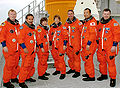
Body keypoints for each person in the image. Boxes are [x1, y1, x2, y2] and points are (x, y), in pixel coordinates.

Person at [97, 8, 120, 87]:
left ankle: (113, 78)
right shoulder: (100, 23)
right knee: (102, 61)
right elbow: (98, 34)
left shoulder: (114, 23)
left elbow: (117, 35)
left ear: (110, 14)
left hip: (110, 47)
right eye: (104, 14)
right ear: (102, 14)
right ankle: (104, 75)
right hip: (101, 47)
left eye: (107, 14)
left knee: (111, 64)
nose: (106, 15)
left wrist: (114, 45)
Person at [0, 9, 20, 88]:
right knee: (9, 65)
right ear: (8, 15)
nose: (13, 16)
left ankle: (13, 77)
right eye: (11, 14)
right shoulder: (4, 24)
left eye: (14, 14)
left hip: (17, 49)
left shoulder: (17, 25)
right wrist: (4, 45)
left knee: (15, 64)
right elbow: (2, 36)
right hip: (9, 49)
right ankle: (6, 81)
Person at [18, 14, 36, 88]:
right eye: (29, 19)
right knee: (25, 66)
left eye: (32, 19)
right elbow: (20, 38)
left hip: (32, 51)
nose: (31, 21)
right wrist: (24, 48)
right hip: (26, 51)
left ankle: (28, 77)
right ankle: (21, 81)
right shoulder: (23, 27)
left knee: (31, 65)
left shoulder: (32, 28)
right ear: (26, 19)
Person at [49, 15, 68, 79]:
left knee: (61, 59)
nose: (56, 21)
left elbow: (66, 36)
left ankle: (63, 72)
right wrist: (50, 44)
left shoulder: (63, 27)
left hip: (60, 45)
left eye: (57, 19)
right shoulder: (52, 28)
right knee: (55, 58)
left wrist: (65, 45)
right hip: (54, 46)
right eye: (55, 19)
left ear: (59, 20)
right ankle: (58, 69)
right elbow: (50, 37)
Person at [64, 10, 83, 78]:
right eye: (69, 14)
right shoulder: (66, 23)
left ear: (73, 14)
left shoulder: (78, 22)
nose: (70, 15)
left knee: (76, 58)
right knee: (70, 58)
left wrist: (81, 44)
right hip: (69, 44)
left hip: (76, 44)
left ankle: (77, 71)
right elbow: (64, 33)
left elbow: (82, 33)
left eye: (71, 14)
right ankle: (72, 68)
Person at [81, 8, 97, 81]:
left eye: (87, 13)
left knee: (89, 60)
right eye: (84, 13)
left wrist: (88, 43)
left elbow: (92, 34)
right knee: (86, 59)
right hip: (85, 44)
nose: (85, 14)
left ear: (90, 13)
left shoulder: (92, 22)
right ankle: (88, 72)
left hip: (89, 45)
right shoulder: (86, 22)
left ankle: (91, 76)